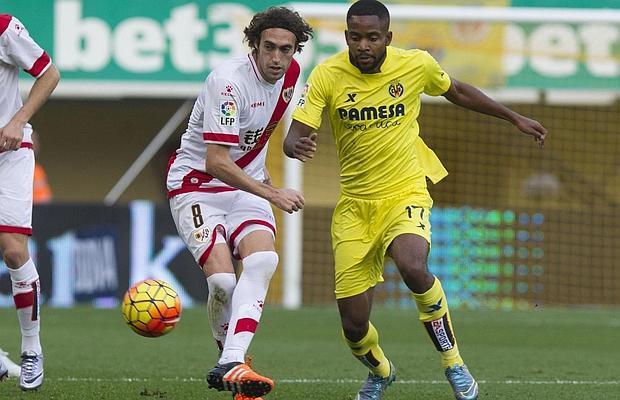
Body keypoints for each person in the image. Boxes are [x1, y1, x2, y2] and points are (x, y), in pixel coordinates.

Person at [284, 1, 547, 399]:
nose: (364, 46)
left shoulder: (415, 65)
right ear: (346, 38)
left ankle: (454, 364)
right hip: (355, 207)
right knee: (354, 326)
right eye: (356, 37)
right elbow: (294, 134)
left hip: (405, 191)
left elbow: (456, 90)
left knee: (412, 264)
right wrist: (294, 145)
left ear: (387, 38)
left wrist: (514, 117)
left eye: (372, 37)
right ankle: (381, 372)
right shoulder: (326, 75)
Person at [166, 7, 312, 400]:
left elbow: (262, 133)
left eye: (287, 49)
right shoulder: (228, 83)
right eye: (270, 48)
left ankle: (232, 361)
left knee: (264, 260)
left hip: (247, 187)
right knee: (222, 282)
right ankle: (227, 356)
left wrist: (287, 148)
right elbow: (216, 161)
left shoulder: (292, 76)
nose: (278, 58)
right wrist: (272, 193)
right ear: (254, 44)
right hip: (196, 185)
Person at [0, 14, 60, 391]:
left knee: (12, 249)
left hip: (10, 152)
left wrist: (18, 120)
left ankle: (31, 350)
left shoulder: (5, 27)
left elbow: (49, 73)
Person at [31, 130, 53, 204]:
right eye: (32, 142)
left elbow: (46, 196)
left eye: (36, 142)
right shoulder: (16, 169)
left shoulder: (38, 169)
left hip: (42, 210)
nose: (35, 146)